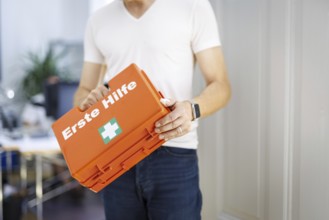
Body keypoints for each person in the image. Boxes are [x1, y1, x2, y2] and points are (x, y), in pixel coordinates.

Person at [74, 0, 231, 219]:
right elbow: (83, 92)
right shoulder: (98, 21)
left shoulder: (193, 6)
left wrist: (191, 109)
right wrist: (89, 102)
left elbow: (221, 85)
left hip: (174, 154)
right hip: (117, 157)